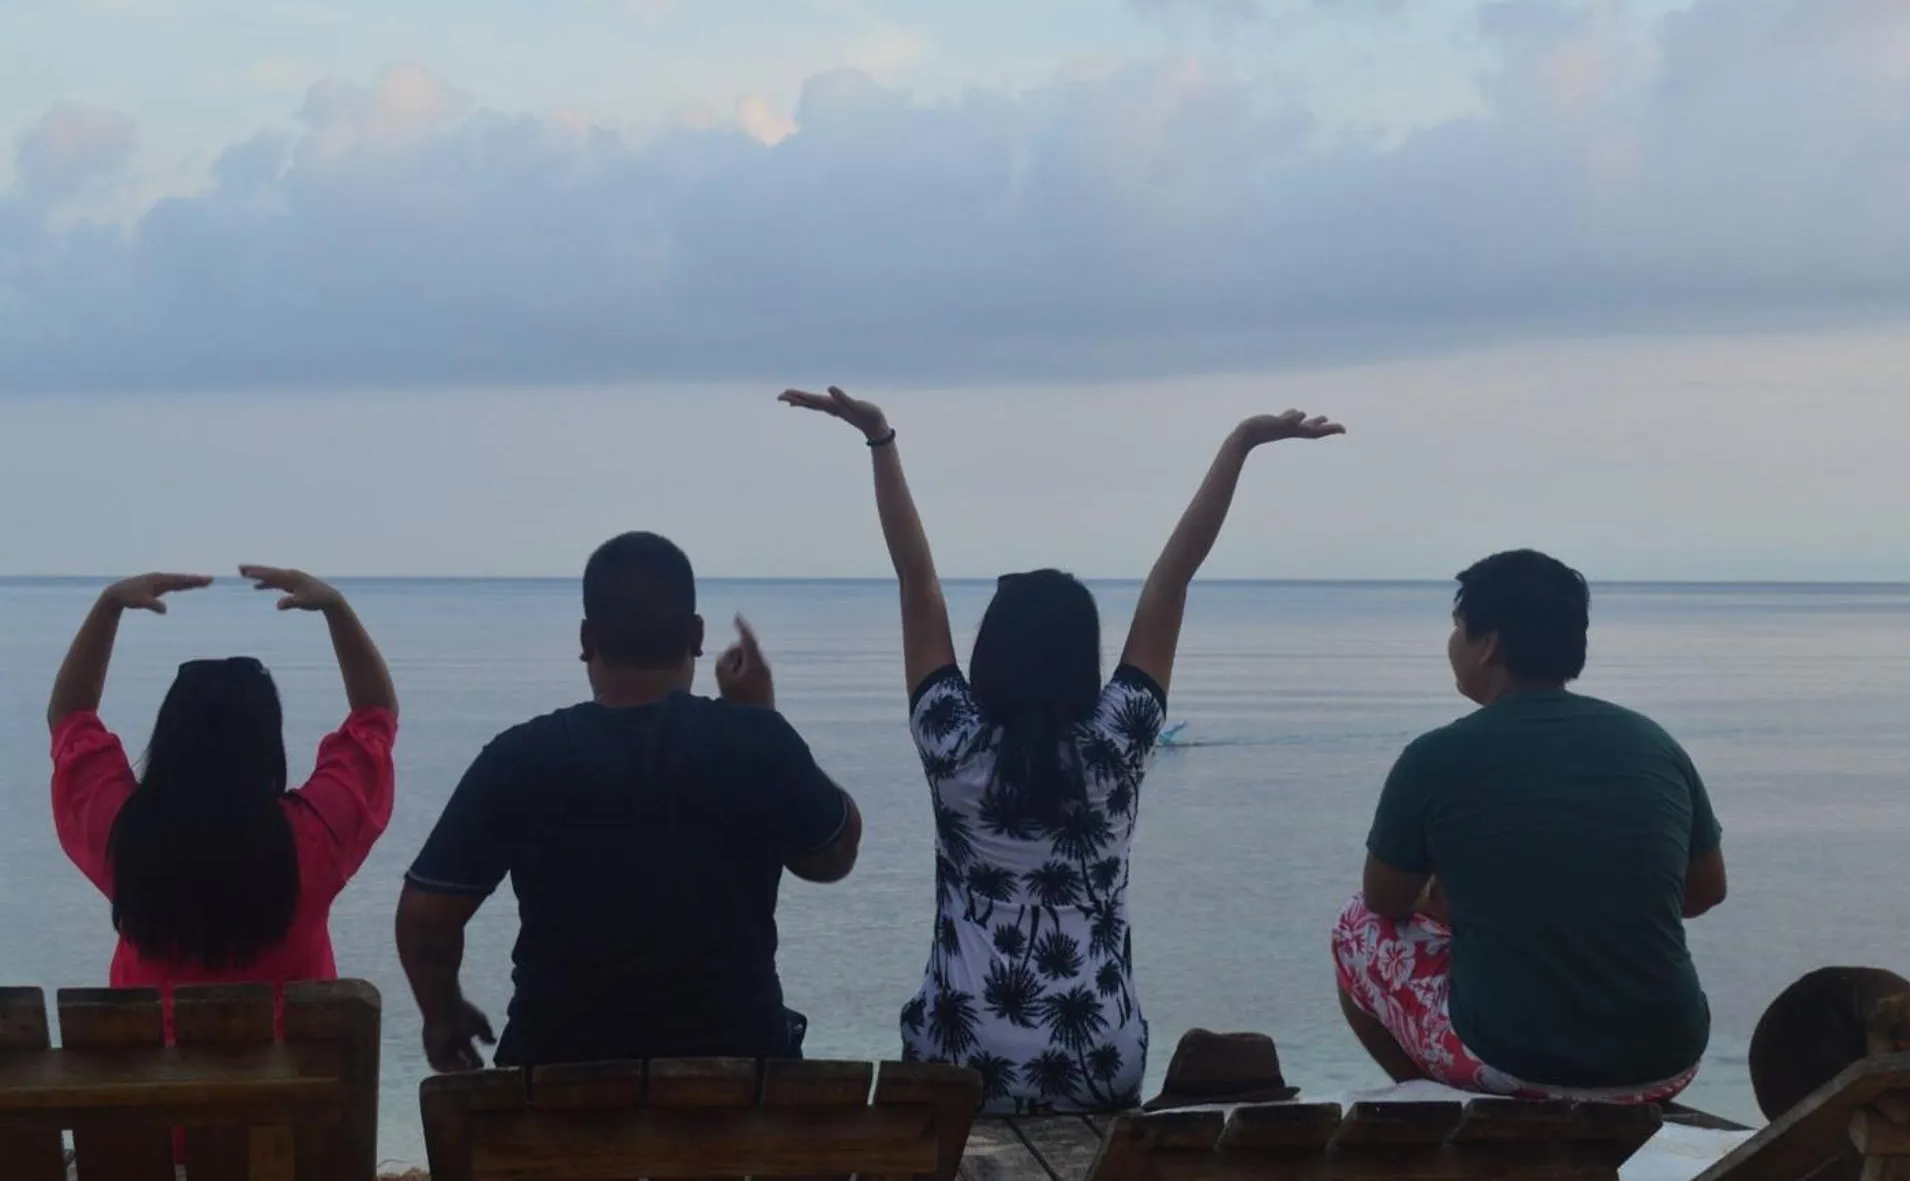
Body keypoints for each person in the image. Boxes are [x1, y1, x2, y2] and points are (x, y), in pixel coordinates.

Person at [781, 387, 1343, 1113]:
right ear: (1084, 660)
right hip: (1098, 1057)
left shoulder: (950, 737)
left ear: (990, 653)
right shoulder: (1118, 741)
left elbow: (916, 579)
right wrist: (1239, 446)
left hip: (959, 1060)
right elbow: (1170, 582)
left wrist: (881, 441)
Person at [395, 531, 862, 1072]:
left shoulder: (521, 757)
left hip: (554, 1095)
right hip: (732, 1100)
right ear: (695, 634)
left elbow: (426, 918)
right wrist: (762, 715)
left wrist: (442, 1012)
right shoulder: (756, 742)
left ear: (587, 638)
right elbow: (832, 857)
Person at [1332, 550, 1727, 1103]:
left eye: (1458, 631)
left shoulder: (1435, 757)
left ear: (1489, 643)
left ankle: (1431, 1105)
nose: (1452, 647)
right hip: (1666, 1060)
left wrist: (1447, 899)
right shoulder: (1653, 743)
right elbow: (1705, 892)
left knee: (1354, 927)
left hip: (1518, 1065)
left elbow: (1384, 900)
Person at [49, 566, 399, 1026]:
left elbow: (71, 721)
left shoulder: (123, 835)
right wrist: (336, 609)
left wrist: (108, 606)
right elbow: (374, 720)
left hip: (150, 1092)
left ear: (167, 737)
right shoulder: (315, 837)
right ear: (267, 743)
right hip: (292, 1093)